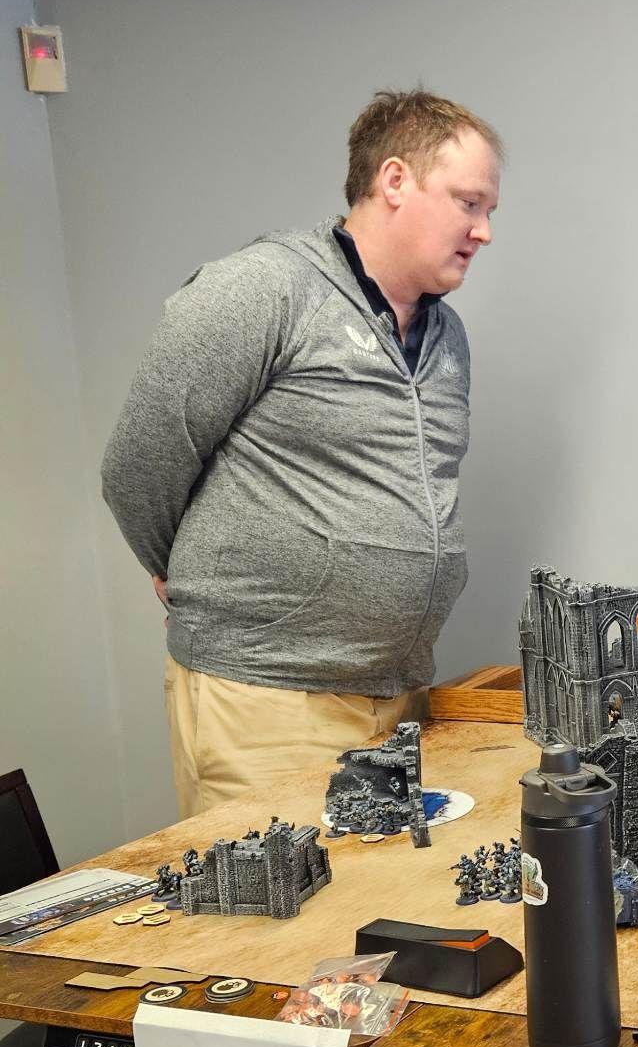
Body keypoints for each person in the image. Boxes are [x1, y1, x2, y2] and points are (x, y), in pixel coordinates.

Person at [102, 90, 502, 817]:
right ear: (393, 181)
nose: (483, 231)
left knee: (378, 921)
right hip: (266, 705)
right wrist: (183, 575)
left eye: (489, 212)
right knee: (276, 923)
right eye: (469, 203)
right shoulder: (265, 289)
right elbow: (138, 465)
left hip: (397, 701)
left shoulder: (448, 339)